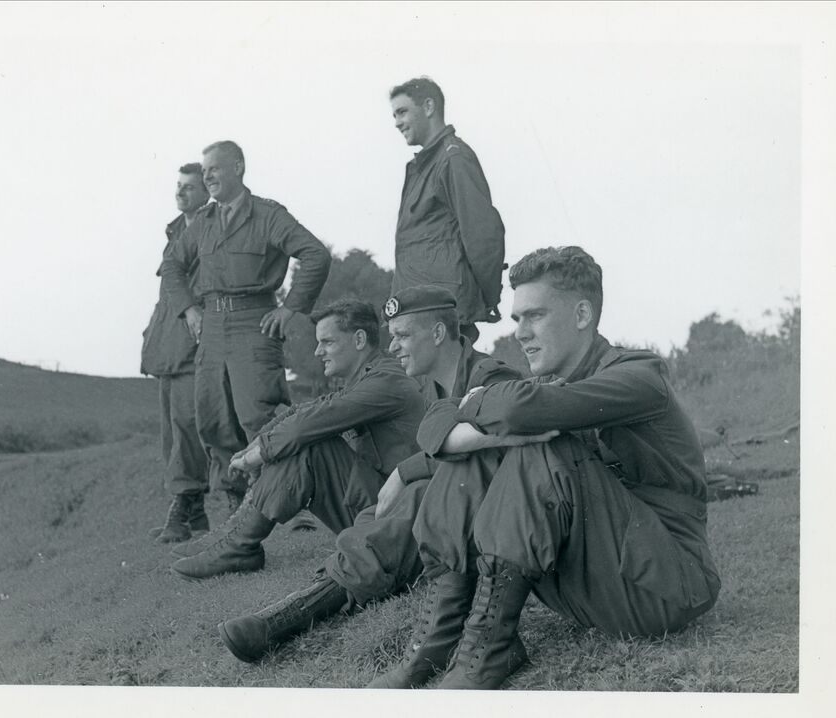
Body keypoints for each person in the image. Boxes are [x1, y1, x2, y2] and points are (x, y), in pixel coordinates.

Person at [370, 246, 721, 690]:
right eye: (517, 319)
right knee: (487, 448)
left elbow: (518, 410)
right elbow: (435, 422)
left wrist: (479, 405)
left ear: (582, 315)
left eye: (534, 316)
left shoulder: (639, 377)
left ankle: (489, 650)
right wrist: (486, 431)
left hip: (667, 587)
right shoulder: (550, 384)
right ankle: (440, 638)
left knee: (540, 442)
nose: (520, 333)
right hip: (594, 580)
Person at [216, 286, 542, 663]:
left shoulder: (490, 374)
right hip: (431, 520)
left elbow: (501, 447)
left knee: (424, 491)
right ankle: (319, 581)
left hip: (482, 523)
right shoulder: (427, 383)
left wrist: (406, 471)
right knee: (401, 502)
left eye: (403, 335)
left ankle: (297, 613)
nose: (393, 346)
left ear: (438, 333)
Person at [169, 299, 427, 581]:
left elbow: (308, 425)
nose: (318, 351)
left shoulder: (386, 380)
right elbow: (304, 412)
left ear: (359, 340)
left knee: (311, 445)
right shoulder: (365, 379)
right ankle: (233, 537)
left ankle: (240, 545)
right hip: (381, 510)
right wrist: (257, 445)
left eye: (327, 342)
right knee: (297, 439)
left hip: (401, 522)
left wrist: (258, 454)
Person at [161, 140, 331, 513]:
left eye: (214, 169)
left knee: (260, 415)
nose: (208, 177)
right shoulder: (204, 221)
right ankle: (237, 504)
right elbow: (172, 264)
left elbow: (315, 254)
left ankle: (295, 501)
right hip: (211, 328)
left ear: (237, 167)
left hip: (255, 323)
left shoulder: (267, 215)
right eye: (204, 172)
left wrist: (291, 309)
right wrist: (189, 309)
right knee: (214, 418)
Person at [389, 77, 506, 343]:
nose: (397, 122)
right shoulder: (422, 167)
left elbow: (484, 236)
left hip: (442, 315)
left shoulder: (453, 159)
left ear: (429, 107)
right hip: (416, 311)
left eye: (402, 112)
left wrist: (486, 298)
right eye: (394, 115)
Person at [141, 163, 211, 543]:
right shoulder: (175, 231)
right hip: (168, 341)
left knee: (188, 425)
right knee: (171, 430)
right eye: (178, 186)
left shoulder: (211, 228)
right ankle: (194, 514)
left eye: (189, 187)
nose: (180, 193)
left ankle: (183, 506)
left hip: (192, 340)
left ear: (207, 192)